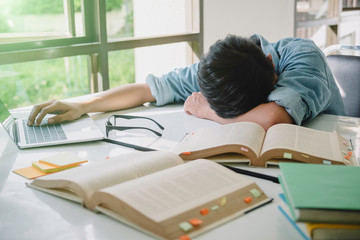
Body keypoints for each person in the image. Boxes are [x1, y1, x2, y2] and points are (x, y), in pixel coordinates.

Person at [28, 34, 345, 130]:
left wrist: (209, 112)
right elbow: (150, 88)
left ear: (271, 67)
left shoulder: (303, 56)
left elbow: (276, 117)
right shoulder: (223, 69)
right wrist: (83, 103)